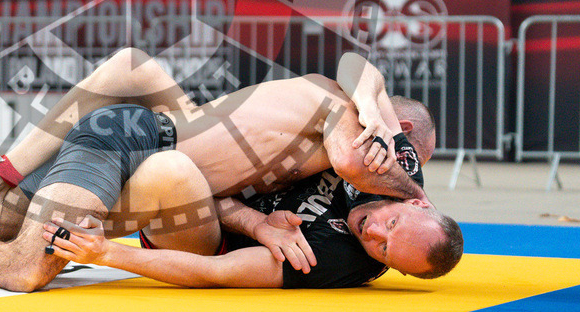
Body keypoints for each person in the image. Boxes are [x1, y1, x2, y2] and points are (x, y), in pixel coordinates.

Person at [0, 49, 456, 291]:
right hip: (144, 155)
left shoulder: (348, 239)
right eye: (392, 212)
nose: (379, 219)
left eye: (387, 240)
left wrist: (256, 220)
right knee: (23, 263)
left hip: (140, 147)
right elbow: (359, 76)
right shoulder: (340, 119)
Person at [41, 95, 461, 288]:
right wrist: (260, 223)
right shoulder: (395, 164)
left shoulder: (333, 260)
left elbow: (215, 272)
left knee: (173, 168)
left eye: (384, 251)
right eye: (392, 224)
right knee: (134, 69)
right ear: (417, 202)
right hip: (227, 190)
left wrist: (108, 255)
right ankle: (13, 180)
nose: (374, 233)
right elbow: (356, 74)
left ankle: (35, 235)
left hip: (203, 238)